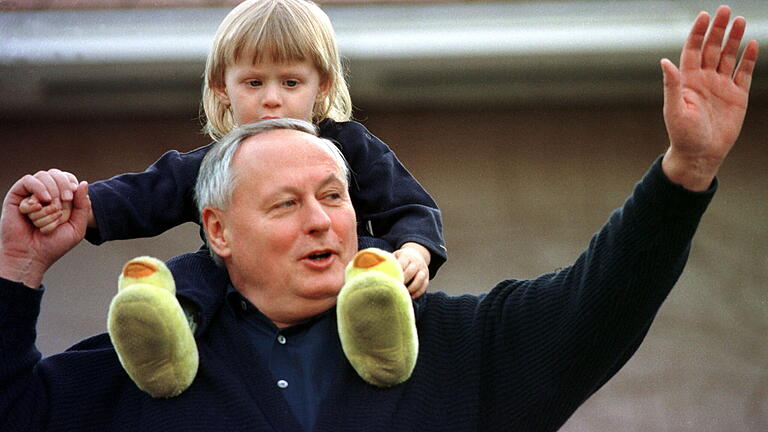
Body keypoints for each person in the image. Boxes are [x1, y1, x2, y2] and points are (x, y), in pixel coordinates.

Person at [0, 4, 758, 432]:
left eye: (334, 197)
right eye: (286, 204)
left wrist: (684, 175)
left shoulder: (452, 351)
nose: (323, 220)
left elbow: (596, 307)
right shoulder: (147, 370)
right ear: (218, 229)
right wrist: (20, 270)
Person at [18, 0, 447, 395]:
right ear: (223, 87)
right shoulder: (219, 160)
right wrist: (75, 205)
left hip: (345, 273)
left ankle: (381, 324)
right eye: (254, 83)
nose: (272, 99)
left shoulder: (351, 144)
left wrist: (414, 252)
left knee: (373, 258)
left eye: (291, 82)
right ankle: (164, 340)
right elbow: (149, 193)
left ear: (323, 85)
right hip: (236, 286)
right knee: (187, 274)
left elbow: (409, 204)